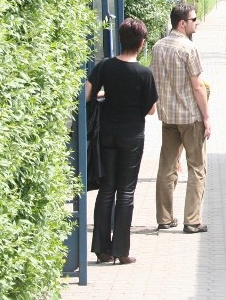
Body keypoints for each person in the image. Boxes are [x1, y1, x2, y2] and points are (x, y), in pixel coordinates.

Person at [86, 18, 158, 265]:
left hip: (107, 134)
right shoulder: (144, 73)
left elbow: (87, 94)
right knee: (126, 192)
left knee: (106, 190)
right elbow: (150, 110)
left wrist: (106, 94)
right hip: (132, 136)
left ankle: (102, 251)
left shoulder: (105, 67)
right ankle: (121, 251)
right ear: (140, 44)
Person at [151, 3, 212, 234]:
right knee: (197, 167)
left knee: (166, 167)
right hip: (190, 117)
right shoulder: (189, 49)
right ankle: (192, 220)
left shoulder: (158, 47)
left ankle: (164, 218)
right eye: (194, 19)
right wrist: (206, 117)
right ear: (182, 23)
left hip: (168, 117)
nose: (196, 23)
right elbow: (198, 87)